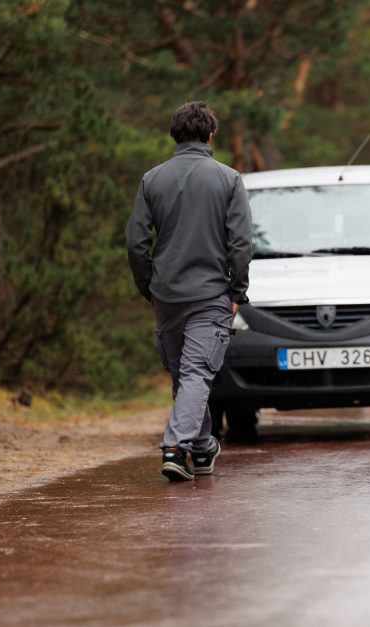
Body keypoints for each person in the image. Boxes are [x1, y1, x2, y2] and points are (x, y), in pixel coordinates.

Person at [125, 101, 252, 481]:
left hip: (166, 294)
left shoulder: (152, 179)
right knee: (195, 373)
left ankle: (202, 447)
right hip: (212, 294)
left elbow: (135, 242)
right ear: (211, 135)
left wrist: (148, 284)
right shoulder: (228, 179)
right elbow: (241, 244)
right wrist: (237, 291)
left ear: (174, 135)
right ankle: (176, 449)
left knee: (185, 375)